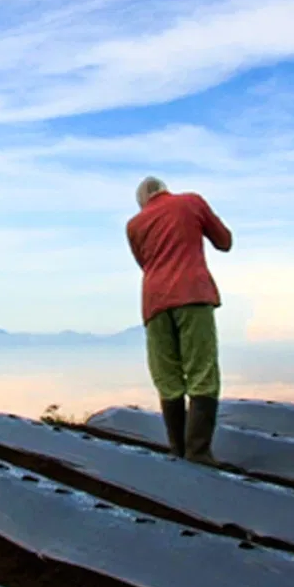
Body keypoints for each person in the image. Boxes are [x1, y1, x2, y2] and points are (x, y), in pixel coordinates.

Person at [126, 176, 233, 466]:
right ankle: (198, 452)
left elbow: (145, 263)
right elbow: (224, 241)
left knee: (168, 377)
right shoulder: (191, 202)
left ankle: (178, 449)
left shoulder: (134, 224)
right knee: (201, 371)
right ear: (165, 189)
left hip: (155, 302)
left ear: (142, 202)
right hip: (192, 294)